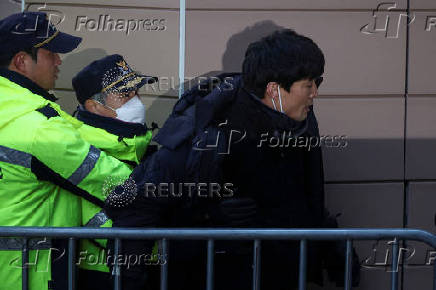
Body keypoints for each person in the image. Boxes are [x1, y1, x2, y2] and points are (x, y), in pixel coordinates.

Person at [106, 29, 359, 290]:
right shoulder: (205, 131)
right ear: (274, 90)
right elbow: (136, 210)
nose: (315, 93)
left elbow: (300, 194)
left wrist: (331, 239)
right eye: (309, 85)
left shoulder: (302, 123)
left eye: (318, 82)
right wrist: (208, 217)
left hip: (280, 275)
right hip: (207, 275)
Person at [0, 12, 135, 290]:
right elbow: (117, 182)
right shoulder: (38, 126)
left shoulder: (13, 113)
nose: (59, 61)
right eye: (51, 53)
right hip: (31, 276)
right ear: (21, 61)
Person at [71, 54, 157, 290]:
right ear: (94, 106)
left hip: (141, 266)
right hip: (101, 272)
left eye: (137, 93)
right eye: (126, 95)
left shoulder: (135, 143)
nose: (137, 101)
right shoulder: (81, 150)